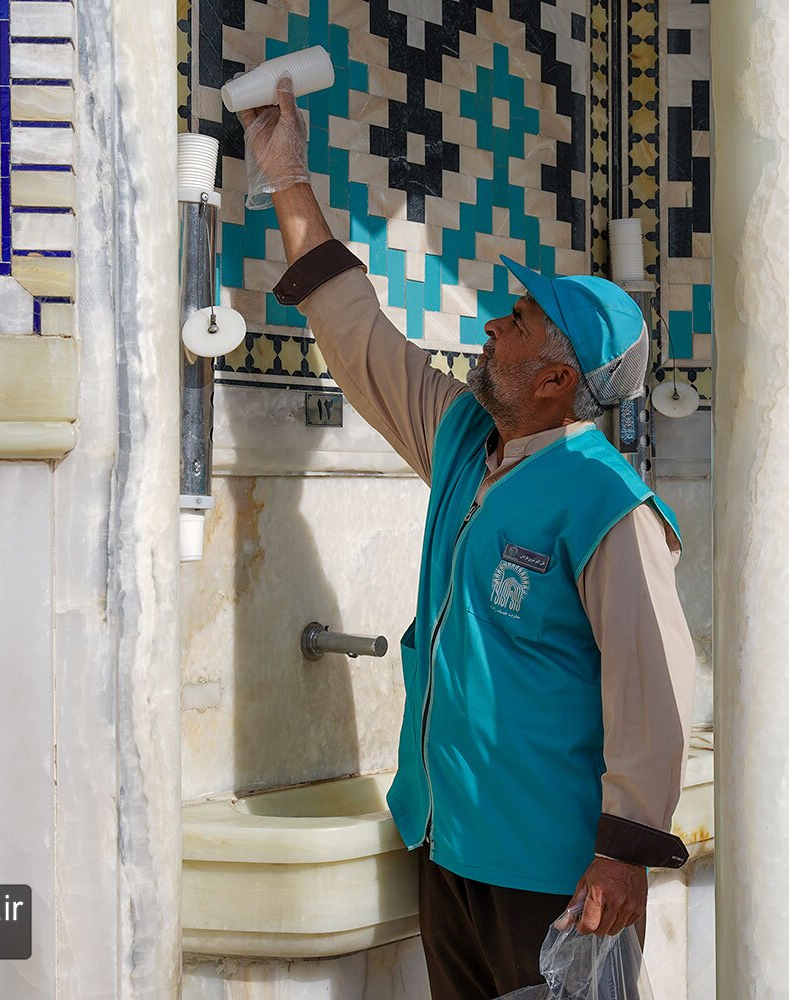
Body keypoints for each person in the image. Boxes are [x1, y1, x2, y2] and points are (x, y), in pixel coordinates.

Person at [239, 77, 698, 999]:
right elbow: (355, 329)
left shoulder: (608, 503)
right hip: (449, 847)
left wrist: (625, 852)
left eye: (518, 323)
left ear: (557, 377)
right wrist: (286, 177)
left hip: (557, 876)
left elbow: (655, 690)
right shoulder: (462, 438)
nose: (493, 325)